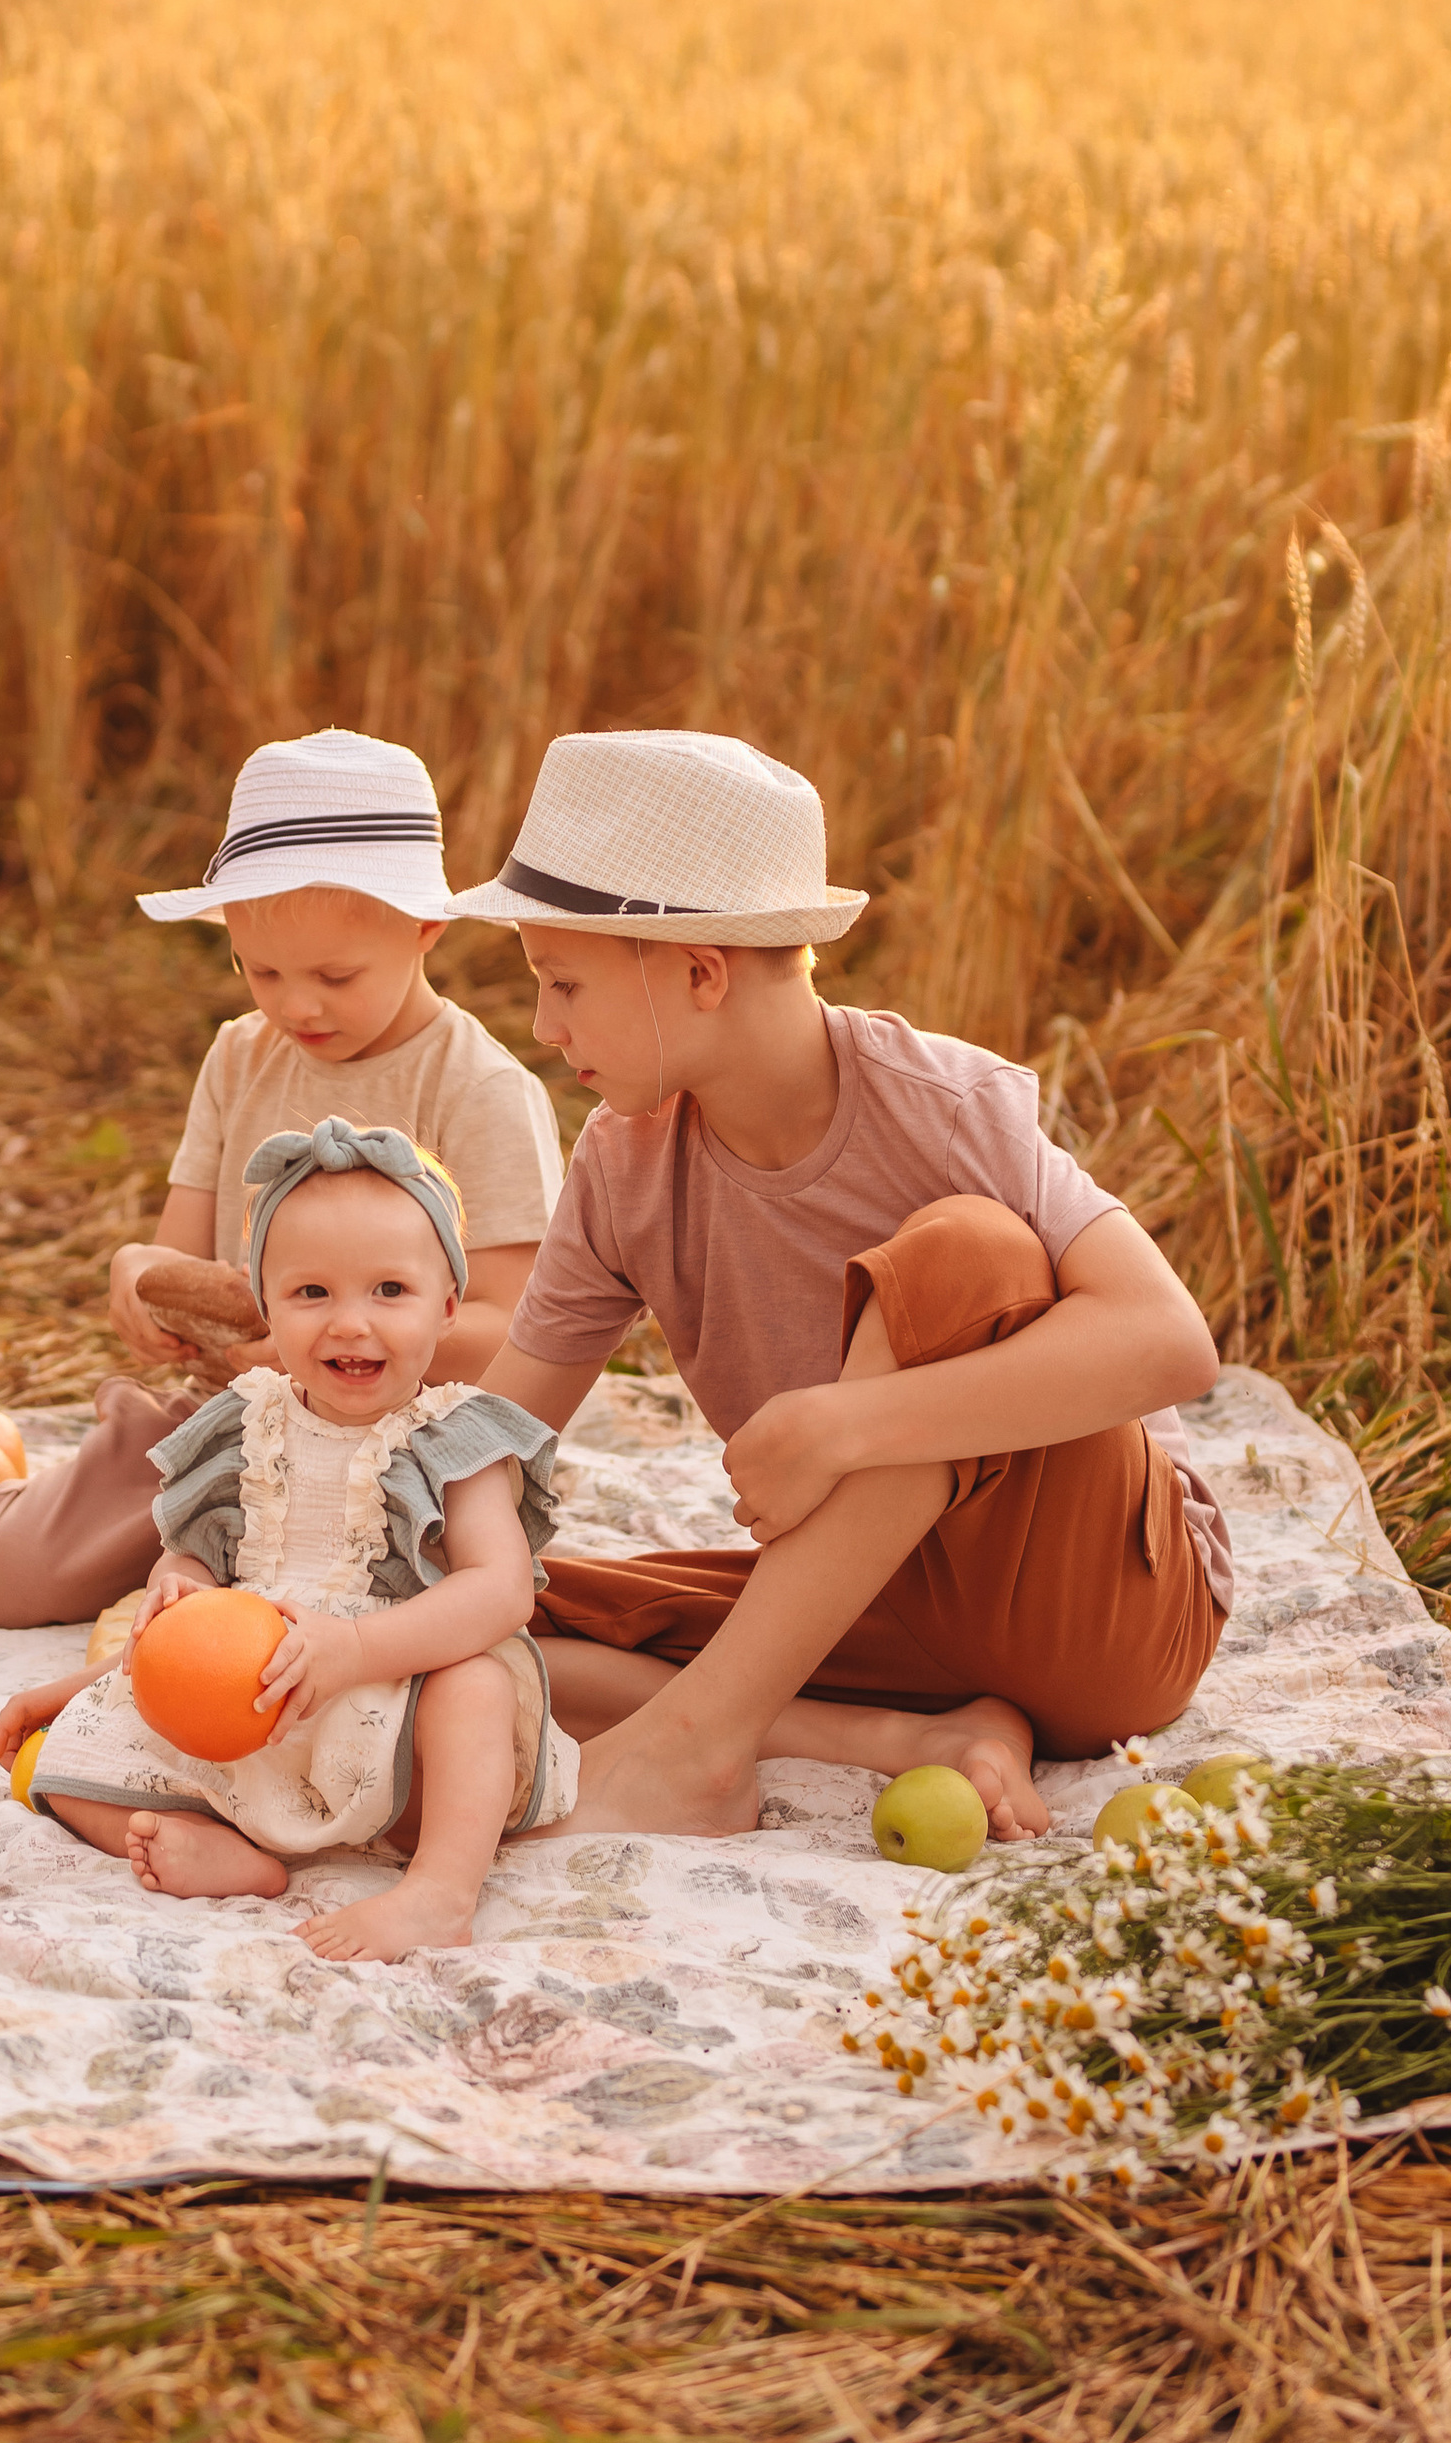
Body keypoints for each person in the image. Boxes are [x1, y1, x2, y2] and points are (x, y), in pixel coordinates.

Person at [442, 730, 1228, 1844]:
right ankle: (906, 1737)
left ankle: (694, 1750)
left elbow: (1167, 1341)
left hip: (1098, 1612)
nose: (542, 1026)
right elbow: (503, 1435)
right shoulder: (623, 1164)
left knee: (968, 1252)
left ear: (700, 973)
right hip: (875, 1614)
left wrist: (845, 1423)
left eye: (561, 982)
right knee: (480, 1603)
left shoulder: (937, 1106)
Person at [0, 726, 565, 1627]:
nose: (296, 1005)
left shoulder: (478, 1088)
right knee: (8, 1584)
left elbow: (511, 1327)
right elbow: (184, 1255)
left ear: (427, 927)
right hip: (239, 1419)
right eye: (260, 970)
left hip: (405, 1431)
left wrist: (323, 1340)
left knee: (383, 1598)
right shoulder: (240, 1057)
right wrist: (136, 1270)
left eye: (335, 974)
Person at [0, 1120, 576, 1958]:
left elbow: (500, 1591)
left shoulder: (453, 1438)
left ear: (447, 1307)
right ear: (265, 1309)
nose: (349, 1324)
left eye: (388, 1292)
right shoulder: (246, 1425)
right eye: (311, 1295)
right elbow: (201, 1562)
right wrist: (174, 1589)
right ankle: (242, 1856)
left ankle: (440, 1892)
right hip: (252, 1711)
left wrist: (358, 1648)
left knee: (477, 1682)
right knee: (65, 1770)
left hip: (394, 1716)